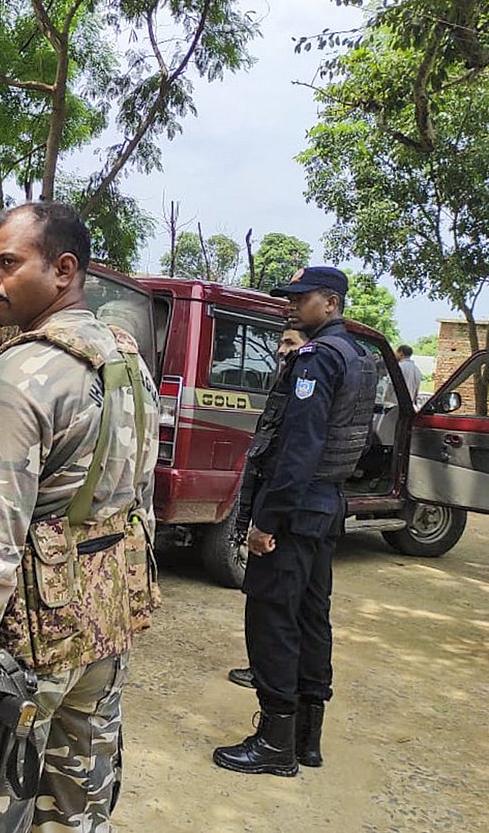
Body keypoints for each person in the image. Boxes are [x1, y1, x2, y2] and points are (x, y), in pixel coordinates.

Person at [0, 202, 159, 832]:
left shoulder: (22, 372)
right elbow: (139, 500)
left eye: (7, 262)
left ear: (63, 270)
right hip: (103, 629)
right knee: (77, 810)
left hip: (27, 648)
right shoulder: (126, 360)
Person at [213, 267, 376, 776]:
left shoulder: (316, 360)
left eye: (301, 298)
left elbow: (298, 450)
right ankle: (306, 737)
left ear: (330, 303)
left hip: (296, 509)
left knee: (272, 620)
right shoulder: (359, 357)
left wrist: (267, 522)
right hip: (326, 507)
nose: (291, 305)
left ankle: (275, 742)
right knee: (310, 618)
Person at [227, 324, 309, 690]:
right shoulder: (286, 386)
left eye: (289, 343)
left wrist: (267, 522)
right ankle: (263, 671)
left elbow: (291, 459)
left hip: (284, 519)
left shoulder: (305, 386)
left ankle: (271, 683)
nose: (280, 350)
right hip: (274, 509)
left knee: (274, 604)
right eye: (280, 342)